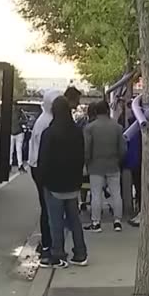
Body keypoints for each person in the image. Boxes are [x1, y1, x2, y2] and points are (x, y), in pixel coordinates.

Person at [36, 96, 87, 268]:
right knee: (74, 220)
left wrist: (42, 181)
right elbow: (82, 157)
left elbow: (43, 160)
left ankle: (58, 254)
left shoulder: (49, 133)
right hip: (73, 184)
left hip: (54, 184)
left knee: (55, 221)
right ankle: (80, 253)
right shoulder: (77, 131)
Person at [26, 89, 63, 259]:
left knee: (47, 206)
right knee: (47, 207)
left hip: (38, 166)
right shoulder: (47, 123)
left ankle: (48, 242)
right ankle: (47, 243)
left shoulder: (46, 119)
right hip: (41, 167)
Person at [83, 100, 127, 233]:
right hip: (113, 164)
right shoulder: (117, 127)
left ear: (96, 112)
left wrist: (87, 162)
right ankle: (117, 221)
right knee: (116, 194)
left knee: (96, 194)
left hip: (96, 165)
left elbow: (87, 149)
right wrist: (118, 160)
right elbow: (122, 149)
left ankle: (96, 222)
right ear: (108, 110)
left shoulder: (90, 128)